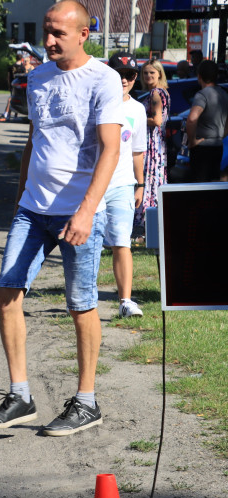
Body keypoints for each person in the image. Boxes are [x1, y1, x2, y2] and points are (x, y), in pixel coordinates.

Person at [0, 0, 122, 436]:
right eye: (47, 30)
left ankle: (87, 401)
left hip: (79, 210)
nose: (49, 40)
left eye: (59, 32)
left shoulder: (104, 79)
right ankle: (20, 396)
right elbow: (33, 140)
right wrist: (21, 193)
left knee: (81, 305)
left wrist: (86, 210)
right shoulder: (37, 76)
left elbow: (110, 150)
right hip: (32, 209)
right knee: (7, 290)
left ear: (83, 34)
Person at [102, 57, 147, 318]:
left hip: (122, 184)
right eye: (119, 74)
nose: (124, 80)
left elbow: (138, 152)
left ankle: (125, 301)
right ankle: (81, 299)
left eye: (130, 75)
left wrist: (139, 184)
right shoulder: (95, 102)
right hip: (93, 184)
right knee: (88, 244)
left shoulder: (138, 110)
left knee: (122, 242)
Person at [133, 58, 170, 238]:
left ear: (159, 74)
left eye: (152, 73)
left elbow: (157, 120)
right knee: (154, 181)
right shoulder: (161, 92)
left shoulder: (156, 93)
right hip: (157, 144)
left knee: (148, 180)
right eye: (145, 72)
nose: (148, 76)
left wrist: (138, 117)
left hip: (152, 144)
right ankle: (152, 222)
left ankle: (145, 222)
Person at [185, 60, 228, 182]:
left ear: (199, 76)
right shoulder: (224, 93)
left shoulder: (202, 95)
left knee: (199, 186)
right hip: (218, 146)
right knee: (212, 185)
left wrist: (192, 141)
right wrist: (220, 136)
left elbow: (192, 119)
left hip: (202, 147)